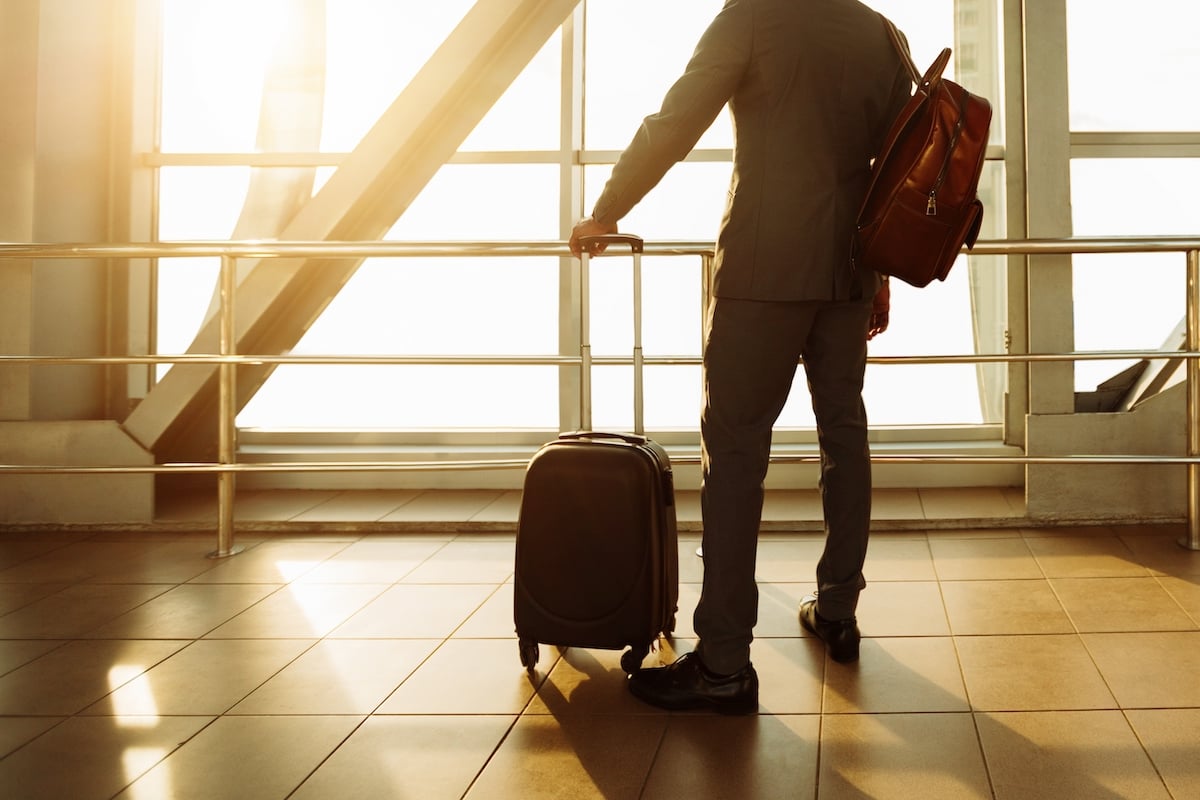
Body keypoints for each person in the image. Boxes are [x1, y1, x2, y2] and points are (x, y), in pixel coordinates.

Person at [569, 0, 912, 714]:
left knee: (734, 454)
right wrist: (876, 277)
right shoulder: (882, 34)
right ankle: (838, 611)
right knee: (844, 435)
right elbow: (891, 170)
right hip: (847, 274)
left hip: (763, 270)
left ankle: (724, 661)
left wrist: (610, 206)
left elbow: (677, 120)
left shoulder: (754, 16)